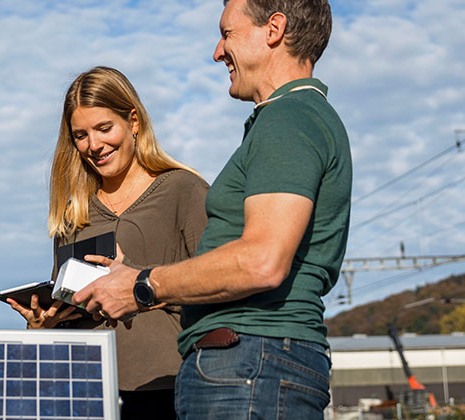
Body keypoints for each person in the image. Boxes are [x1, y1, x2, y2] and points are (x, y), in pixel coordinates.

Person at [73, 1, 349, 418]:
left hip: (250, 364)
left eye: (227, 34)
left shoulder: (288, 119)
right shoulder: (290, 119)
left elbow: (261, 262)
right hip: (253, 365)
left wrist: (142, 284)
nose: (218, 52)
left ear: (273, 29)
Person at [7, 66, 208, 420]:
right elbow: (68, 315)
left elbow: (219, 286)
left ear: (134, 121)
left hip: (171, 387)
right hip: (86, 392)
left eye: (104, 128)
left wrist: (140, 285)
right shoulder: (73, 216)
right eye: (80, 135)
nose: (94, 145)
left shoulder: (184, 190)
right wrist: (41, 326)